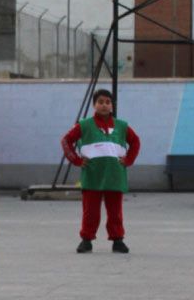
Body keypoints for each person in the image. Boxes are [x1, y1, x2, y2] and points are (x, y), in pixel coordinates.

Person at [60, 89, 141, 254]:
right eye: (100, 102)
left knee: (115, 211)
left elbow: (136, 142)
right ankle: (86, 239)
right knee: (90, 211)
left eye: (107, 102)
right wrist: (76, 160)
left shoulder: (122, 126)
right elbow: (66, 140)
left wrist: (129, 160)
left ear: (112, 106)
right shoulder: (84, 125)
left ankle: (118, 240)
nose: (104, 105)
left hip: (115, 176)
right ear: (94, 105)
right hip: (92, 175)